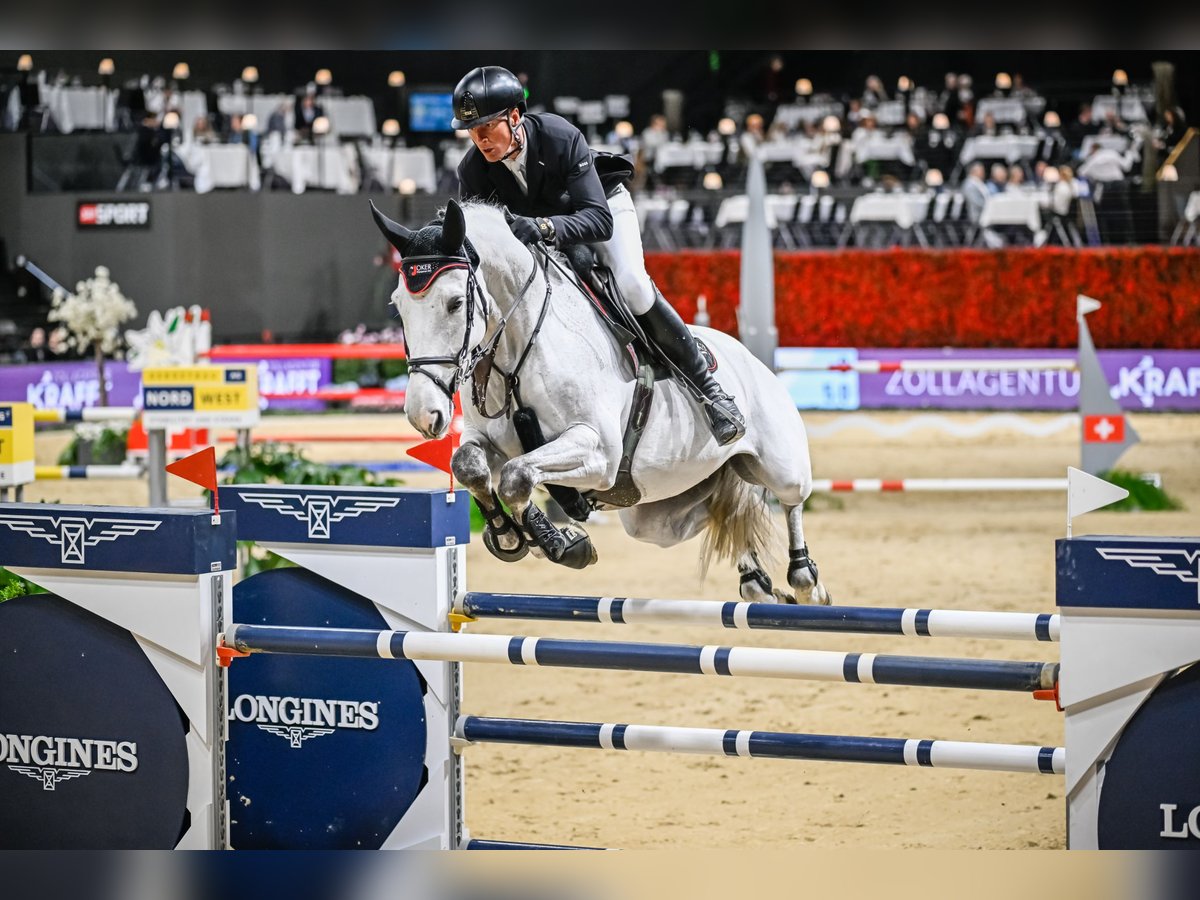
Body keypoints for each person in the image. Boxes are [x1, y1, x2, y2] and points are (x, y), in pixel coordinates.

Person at [451, 65, 744, 445]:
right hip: (542, 233)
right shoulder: (473, 171)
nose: (480, 139)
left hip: (600, 208)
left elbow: (598, 221)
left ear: (515, 116)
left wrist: (544, 227)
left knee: (632, 284)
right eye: (472, 130)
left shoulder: (559, 136)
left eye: (488, 126)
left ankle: (711, 392)